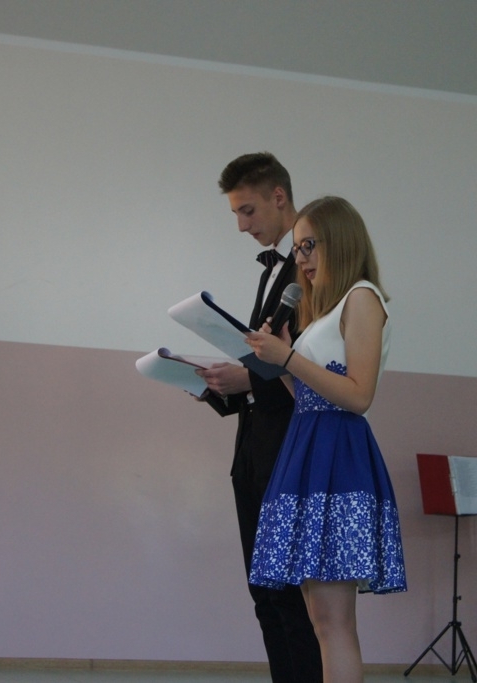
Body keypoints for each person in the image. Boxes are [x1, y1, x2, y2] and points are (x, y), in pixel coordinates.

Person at [245, 196, 407, 683]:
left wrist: (289, 358)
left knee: (335, 622)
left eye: (309, 245)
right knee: (321, 621)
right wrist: (280, 364)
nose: (302, 259)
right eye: (297, 249)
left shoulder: (362, 297)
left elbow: (358, 396)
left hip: (337, 457)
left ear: (340, 239)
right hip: (309, 448)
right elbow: (309, 396)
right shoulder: (325, 311)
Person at [196, 152, 322, 683]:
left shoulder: (313, 267)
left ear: (279, 196)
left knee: (292, 599)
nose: (242, 226)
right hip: (253, 450)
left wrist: (248, 378)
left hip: (289, 452)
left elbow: (313, 362)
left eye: (247, 211)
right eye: (235, 214)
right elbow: (262, 360)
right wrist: (218, 386)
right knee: (265, 597)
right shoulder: (275, 270)